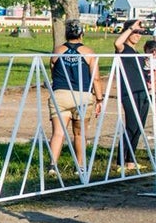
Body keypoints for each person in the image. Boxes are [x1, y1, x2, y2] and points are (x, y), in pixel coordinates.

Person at [47, 19, 103, 176]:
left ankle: (52, 165)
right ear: (81, 33)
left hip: (60, 94)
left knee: (58, 133)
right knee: (79, 133)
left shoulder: (57, 51)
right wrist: (99, 98)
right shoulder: (89, 52)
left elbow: (52, 70)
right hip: (82, 96)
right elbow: (96, 78)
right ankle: (80, 166)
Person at [114, 19, 150, 171]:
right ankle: (121, 160)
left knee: (139, 127)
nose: (138, 35)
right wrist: (130, 28)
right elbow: (117, 43)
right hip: (129, 92)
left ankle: (130, 160)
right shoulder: (123, 49)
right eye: (135, 32)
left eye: (140, 33)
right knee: (132, 125)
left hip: (142, 92)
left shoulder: (138, 53)